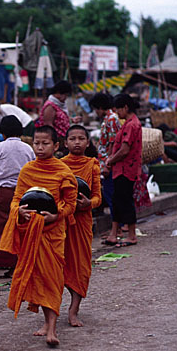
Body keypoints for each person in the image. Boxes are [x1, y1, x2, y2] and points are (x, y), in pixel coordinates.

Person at [0, 125, 77, 346]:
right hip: (32, 232)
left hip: (53, 233)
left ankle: (52, 329)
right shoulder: (27, 170)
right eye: (36, 143)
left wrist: (55, 216)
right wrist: (19, 212)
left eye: (45, 143)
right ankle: (46, 322)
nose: (40, 148)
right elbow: (16, 199)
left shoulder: (63, 171)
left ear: (56, 145)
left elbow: (70, 205)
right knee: (39, 279)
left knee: (52, 278)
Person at [0, 115, 35, 280]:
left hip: (1, 193)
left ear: (2, 133)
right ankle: (12, 266)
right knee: (15, 229)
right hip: (22, 194)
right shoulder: (28, 149)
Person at [62, 125, 102, 327]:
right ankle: (51, 312)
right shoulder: (58, 165)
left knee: (81, 268)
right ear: (65, 143)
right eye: (72, 139)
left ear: (88, 142)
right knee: (57, 267)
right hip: (61, 223)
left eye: (81, 139)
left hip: (82, 223)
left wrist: (89, 204)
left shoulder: (93, 165)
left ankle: (73, 310)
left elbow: (97, 197)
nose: (77, 142)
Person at [105, 94, 142, 247]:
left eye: (118, 109)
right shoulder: (129, 123)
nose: (117, 113)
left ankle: (132, 235)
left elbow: (124, 150)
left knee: (125, 201)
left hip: (126, 169)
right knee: (117, 200)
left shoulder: (131, 125)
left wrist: (110, 160)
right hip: (121, 169)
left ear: (125, 107)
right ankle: (114, 233)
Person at [89, 92, 121, 218]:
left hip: (109, 164)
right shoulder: (107, 119)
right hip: (105, 162)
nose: (96, 112)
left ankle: (117, 226)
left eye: (96, 109)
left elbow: (113, 143)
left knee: (111, 194)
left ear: (100, 107)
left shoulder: (112, 119)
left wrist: (108, 164)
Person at [35, 80, 73, 150]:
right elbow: (48, 125)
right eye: (65, 95)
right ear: (59, 93)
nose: (66, 98)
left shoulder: (59, 105)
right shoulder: (50, 106)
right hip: (58, 140)